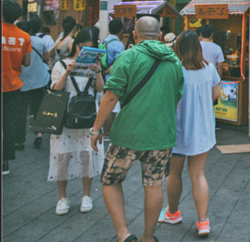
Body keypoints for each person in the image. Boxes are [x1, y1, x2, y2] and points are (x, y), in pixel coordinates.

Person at [89, 16, 185, 242]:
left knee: (110, 180)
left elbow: (111, 96)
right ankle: (148, 237)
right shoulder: (175, 63)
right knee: (153, 186)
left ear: (134, 35)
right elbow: (175, 100)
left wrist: (96, 129)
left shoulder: (128, 56)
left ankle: (123, 234)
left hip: (127, 134)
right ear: (160, 36)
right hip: (162, 136)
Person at [158, 30, 221, 237]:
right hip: (202, 129)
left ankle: (173, 212)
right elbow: (215, 95)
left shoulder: (174, 69)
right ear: (198, 47)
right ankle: (203, 221)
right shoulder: (209, 68)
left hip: (177, 129)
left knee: (174, 173)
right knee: (198, 174)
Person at [49, 28, 106, 214]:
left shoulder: (94, 66)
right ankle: (61, 197)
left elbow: (100, 90)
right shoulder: (61, 64)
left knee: (87, 155)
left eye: (91, 49)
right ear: (77, 44)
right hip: (66, 116)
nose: (85, 52)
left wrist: (98, 72)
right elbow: (56, 89)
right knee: (62, 156)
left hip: (89, 116)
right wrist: (67, 72)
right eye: (83, 47)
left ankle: (86, 195)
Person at [2, 0, 32, 175]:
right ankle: (4, 161)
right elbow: (27, 62)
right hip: (13, 86)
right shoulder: (24, 36)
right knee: (8, 124)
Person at [17, 17, 51, 150]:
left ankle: (19, 141)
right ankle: (39, 135)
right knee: (37, 109)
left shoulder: (16, 42)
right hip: (39, 80)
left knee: (20, 112)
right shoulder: (40, 41)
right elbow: (47, 58)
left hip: (22, 82)